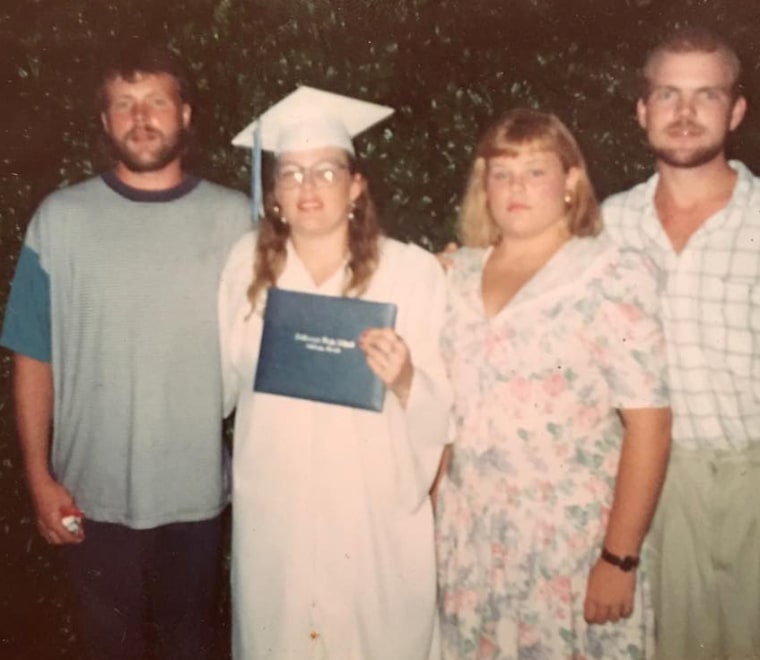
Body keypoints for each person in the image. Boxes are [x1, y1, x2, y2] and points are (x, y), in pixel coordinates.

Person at [1, 46, 250, 660]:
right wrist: (39, 480)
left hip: (195, 493)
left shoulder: (237, 220)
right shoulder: (60, 218)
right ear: (106, 121)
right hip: (92, 495)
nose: (142, 118)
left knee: (189, 646)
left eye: (157, 102)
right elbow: (33, 356)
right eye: (124, 105)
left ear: (186, 114)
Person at [219, 87, 451, 659]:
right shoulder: (244, 266)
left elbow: (441, 407)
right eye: (291, 173)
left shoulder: (413, 272)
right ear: (272, 193)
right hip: (279, 509)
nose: (308, 187)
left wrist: (404, 379)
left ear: (355, 185)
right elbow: (220, 389)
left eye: (327, 170)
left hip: (372, 512)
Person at [434, 108, 672, 658]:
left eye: (535, 171)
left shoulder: (611, 273)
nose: (515, 187)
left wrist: (619, 558)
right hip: (470, 539)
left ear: (570, 181)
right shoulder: (453, 275)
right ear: (482, 184)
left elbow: (650, 425)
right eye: (501, 172)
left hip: (571, 543)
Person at [602, 26, 760, 659]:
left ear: (737, 110)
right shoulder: (606, 226)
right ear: (642, 110)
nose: (686, 114)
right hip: (660, 490)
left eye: (707, 96)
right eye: (668, 94)